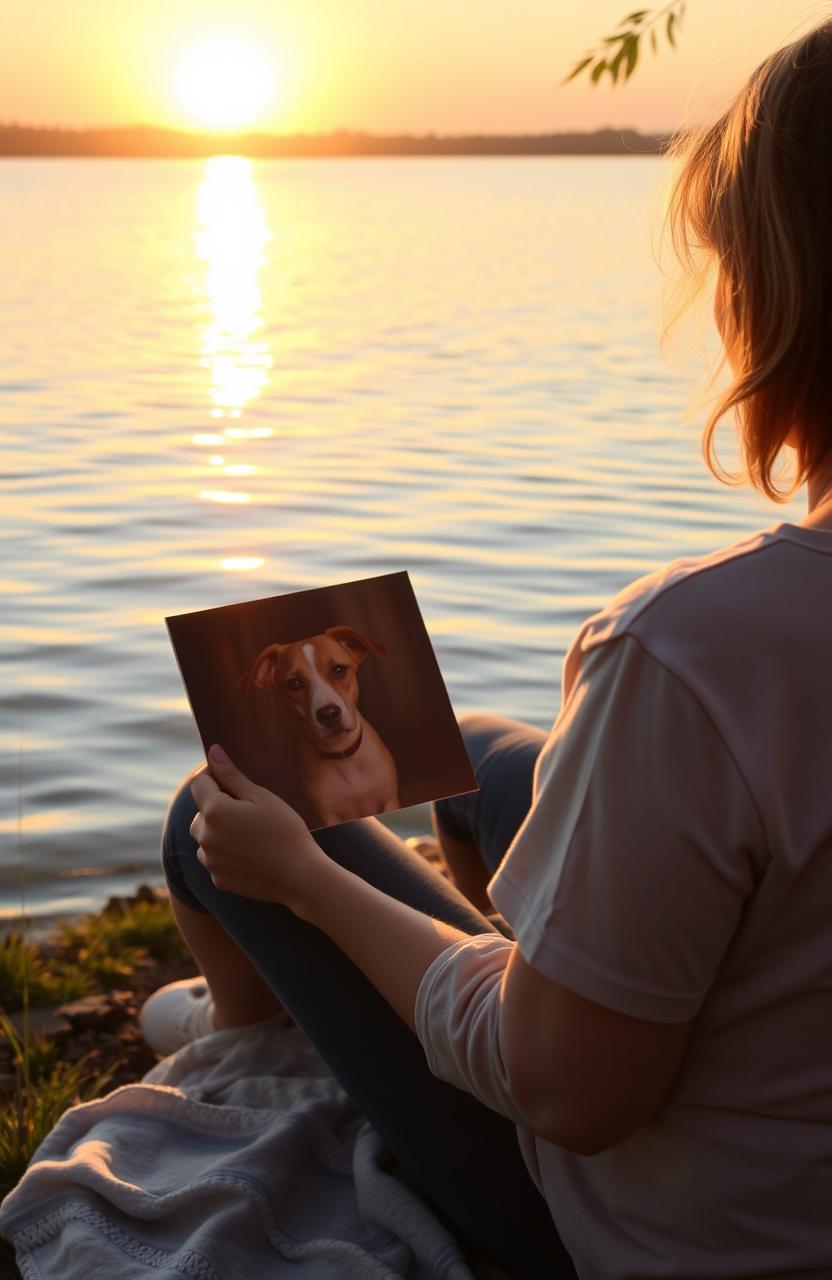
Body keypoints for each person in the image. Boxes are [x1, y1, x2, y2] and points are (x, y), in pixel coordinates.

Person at [141, 21, 832, 1280]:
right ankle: (489, 959)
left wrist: (307, 877)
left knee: (221, 807)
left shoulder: (691, 650)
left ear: (772, 296)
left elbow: (567, 1087)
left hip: (653, 1226)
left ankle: (266, 1034)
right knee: (477, 754)